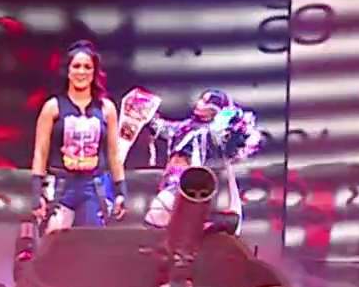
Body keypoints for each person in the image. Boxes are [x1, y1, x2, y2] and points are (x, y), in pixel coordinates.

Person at [30, 41, 127, 233]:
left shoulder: (106, 109)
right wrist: (36, 193)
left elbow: (114, 154)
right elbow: (40, 153)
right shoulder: (52, 107)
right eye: (76, 66)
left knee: (91, 244)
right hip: (60, 185)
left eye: (87, 67)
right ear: (68, 71)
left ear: (94, 72)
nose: (81, 72)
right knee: (53, 242)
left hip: (94, 186)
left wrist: (121, 190)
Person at [143, 89, 260, 234]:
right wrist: (147, 115)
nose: (199, 104)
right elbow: (165, 128)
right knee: (160, 219)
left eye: (205, 102)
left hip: (197, 185)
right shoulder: (186, 127)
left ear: (214, 110)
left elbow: (234, 137)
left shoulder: (216, 133)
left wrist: (228, 116)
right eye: (201, 100)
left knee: (159, 214)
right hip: (175, 182)